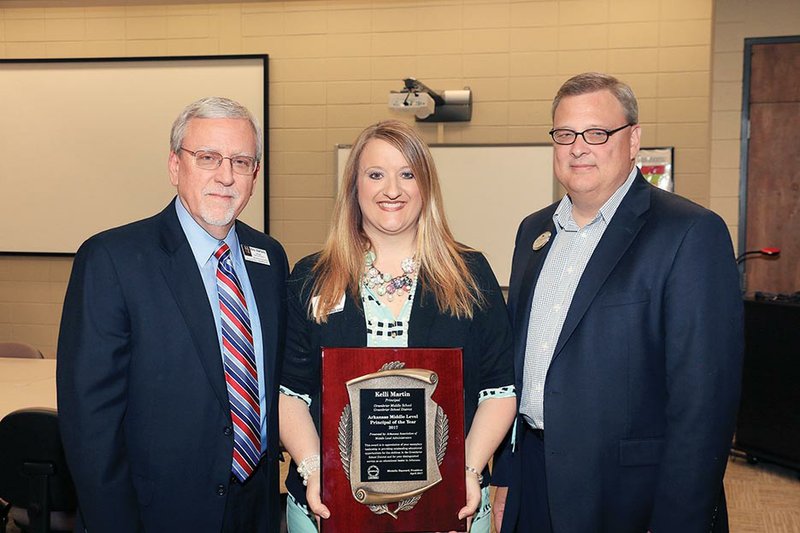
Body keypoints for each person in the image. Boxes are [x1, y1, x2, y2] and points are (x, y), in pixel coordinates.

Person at [491, 72, 744, 532]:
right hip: (534, 479)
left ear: (633, 141)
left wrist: (677, 520)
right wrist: (507, 475)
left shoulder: (688, 233)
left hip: (629, 496)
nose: (578, 147)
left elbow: (704, 402)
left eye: (597, 133)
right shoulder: (533, 232)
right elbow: (518, 368)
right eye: (565, 134)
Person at [56, 96, 288, 532]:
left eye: (241, 161)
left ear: (255, 175)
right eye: (207, 158)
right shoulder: (112, 259)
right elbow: (90, 424)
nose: (226, 175)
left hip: (254, 507)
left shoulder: (270, 258)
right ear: (174, 166)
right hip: (154, 512)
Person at [278, 120, 517, 532]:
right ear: (354, 186)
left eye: (407, 174)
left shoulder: (471, 275)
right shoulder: (312, 277)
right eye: (376, 174)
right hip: (330, 506)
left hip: (450, 505)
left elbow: (499, 389)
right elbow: (291, 393)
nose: (393, 189)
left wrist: (470, 470)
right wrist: (317, 470)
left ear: (425, 185)